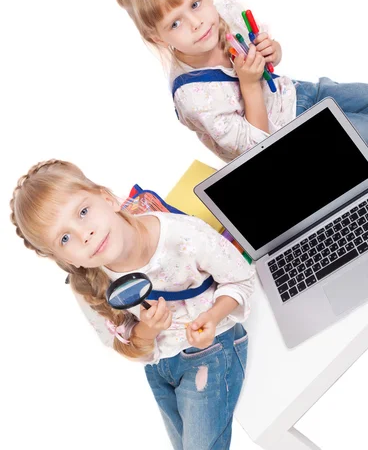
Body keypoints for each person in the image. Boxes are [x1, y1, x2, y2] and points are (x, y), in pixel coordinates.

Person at [10, 159, 254, 450]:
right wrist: (147, 331)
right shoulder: (88, 284)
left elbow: (241, 278)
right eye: (65, 238)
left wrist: (213, 316)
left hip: (211, 352)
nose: (83, 234)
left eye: (83, 212)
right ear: (66, 261)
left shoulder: (182, 236)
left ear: (107, 198)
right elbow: (124, 345)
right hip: (159, 368)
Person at [115, 0, 368, 172]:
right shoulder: (194, 97)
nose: (196, 23)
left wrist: (272, 50)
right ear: (157, 37)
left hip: (299, 94)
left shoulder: (227, 12)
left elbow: (271, 55)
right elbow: (261, 152)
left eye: (196, 4)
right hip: (288, 139)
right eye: (175, 23)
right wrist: (248, 84)